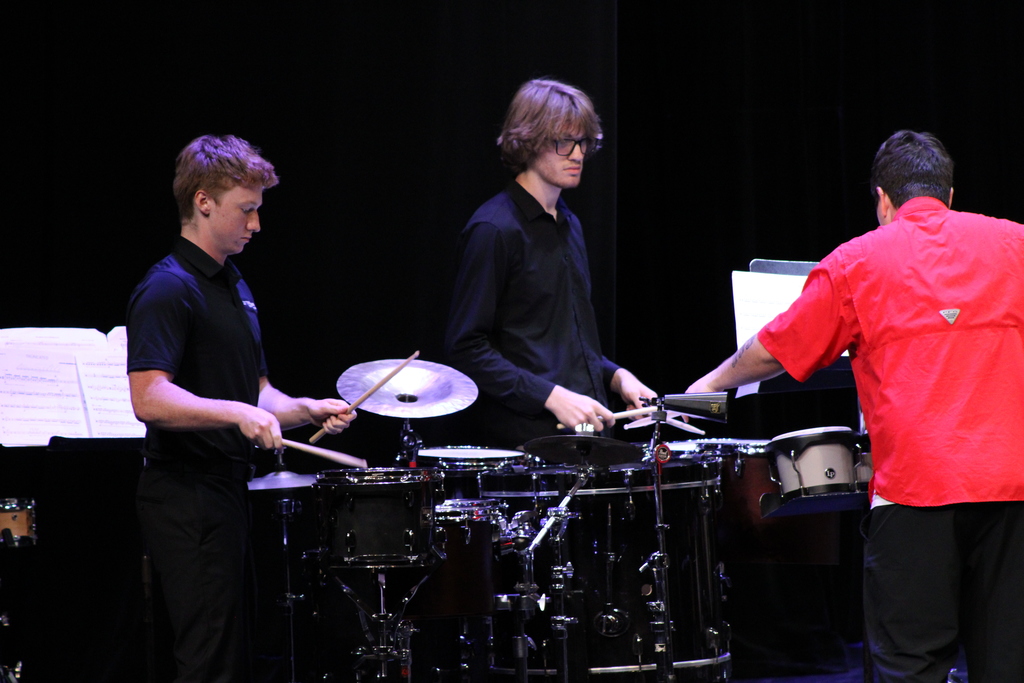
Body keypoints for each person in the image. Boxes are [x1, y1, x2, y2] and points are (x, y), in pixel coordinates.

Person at [686, 130, 1024, 681]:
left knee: (910, 666)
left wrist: (707, 385)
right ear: (951, 195)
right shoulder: (1016, 244)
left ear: (883, 201)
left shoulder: (857, 262)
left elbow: (774, 347)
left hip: (916, 496)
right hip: (1014, 493)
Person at [127, 134, 355, 683]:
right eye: (246, 210)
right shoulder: (168, 287)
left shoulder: (235, 285)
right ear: (203, 202)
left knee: (234, 654)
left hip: (227, 492)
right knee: (210, 662)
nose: (256, 225)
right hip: (186, 495)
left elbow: (258, 393)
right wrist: (236, 414)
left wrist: (303, 408)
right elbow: (148, 396)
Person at [445, 78, 655, 448]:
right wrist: (551, 396)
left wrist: (618, 377)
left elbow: (563, 344)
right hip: (526, 445)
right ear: (528, 141)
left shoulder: (568, 224)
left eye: (583, 142)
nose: (577, 154)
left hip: (586, 438)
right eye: (564, 142)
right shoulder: (493, 229)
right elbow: (467, 349)